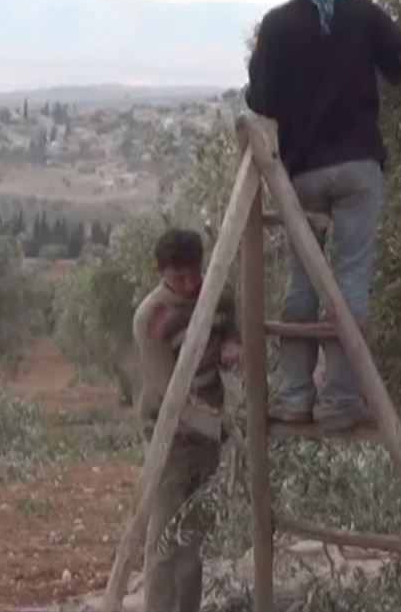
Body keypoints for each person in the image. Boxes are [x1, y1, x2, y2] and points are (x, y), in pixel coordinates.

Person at [245, 0, 401, 430]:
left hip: (302, 173)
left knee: (302, 280)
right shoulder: (362, 16)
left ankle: (295, 394)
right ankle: (341, 398)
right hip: (359, 165)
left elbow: (260, 100)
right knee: (351, 279)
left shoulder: (277, 26)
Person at [132, 227, 241, 612]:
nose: (192, 283)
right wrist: (222, 428)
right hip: (172, 437)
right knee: (164, 543)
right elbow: (171, 394)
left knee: (193, 540)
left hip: (210, 438)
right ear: (161, 272)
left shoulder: (219, 294)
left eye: (196, 273)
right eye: (180, 277)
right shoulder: (151, 318)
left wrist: (232, 340)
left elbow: (233, 327)